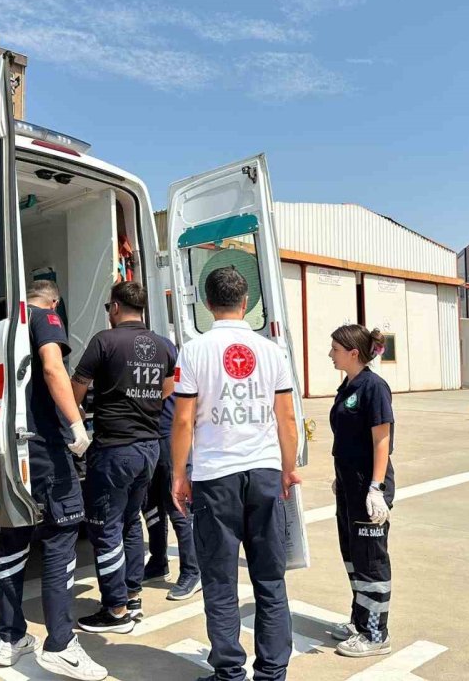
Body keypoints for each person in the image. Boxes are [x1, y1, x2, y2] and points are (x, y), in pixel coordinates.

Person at [171, 266, 302, 681]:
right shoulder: (271, 351)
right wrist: (288, 468)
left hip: (216, 478)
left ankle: (229, 672)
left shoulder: (193, 350)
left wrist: (179, 474)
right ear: (247, 303)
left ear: (207, 305)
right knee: (270, 578)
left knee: (220, 579)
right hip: (264, 472)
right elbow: (287, 420)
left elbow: (183, 422)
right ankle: (272, 672)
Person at [0, 281, 107, 681]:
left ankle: (10, 637)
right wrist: (77, 426)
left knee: (13, 540)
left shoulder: (3, 326)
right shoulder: (45, 316)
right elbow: (52, 365)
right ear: (54, 300)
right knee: (62, 537)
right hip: (45, 448)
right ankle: (60, 643)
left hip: (8, 448)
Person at [71, 281, 176, 634]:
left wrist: (72, 422)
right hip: (149, 446)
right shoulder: (163, 345)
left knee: (104, 526)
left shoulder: (105, 341)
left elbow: (77, 387)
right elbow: (169, 384)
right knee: (132, 522)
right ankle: (132, 596)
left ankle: (114, 609)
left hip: (115, 448)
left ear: (115, 307)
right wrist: (148, 407)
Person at [327, 325, 396, 659]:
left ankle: (376, 633)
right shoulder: (348, 386)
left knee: (371, 559)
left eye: (335, 349)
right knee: (353, 555)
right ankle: (360, 620)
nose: (330, 354)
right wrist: (340, 479)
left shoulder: (374, 387)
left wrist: (376, 487)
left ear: (353, 353)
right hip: (349, 486)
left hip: (369, 487)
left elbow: (381, 439)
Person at [142, 338, 202, 601]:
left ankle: (192, 570)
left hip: (170, 435)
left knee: (177, 507)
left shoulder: (165, 350)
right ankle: (158, 561)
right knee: (151, 504)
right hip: (149, 433)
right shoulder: (156, 346)